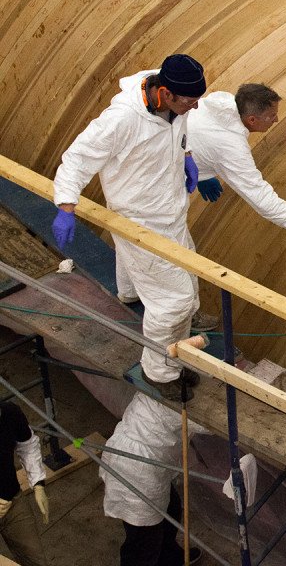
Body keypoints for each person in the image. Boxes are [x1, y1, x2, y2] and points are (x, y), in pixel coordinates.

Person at [52, 54, 209, 402]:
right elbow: (77, 158)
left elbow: (180, 128)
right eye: (189, 102)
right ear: (165, 93)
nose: (194, 109)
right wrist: (66, 206)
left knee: (188, 267)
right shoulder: (121, 120)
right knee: (175, 301)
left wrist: (186, 156)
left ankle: (130, 293)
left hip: (169, 208)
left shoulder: (174, 105)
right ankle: (160, 371)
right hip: (140, 220)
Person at [187, 84, 286, 249]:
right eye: (272, 115)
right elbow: (258, 194)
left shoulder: (222, 101)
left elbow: (199, 136)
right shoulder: (231, 148)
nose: (276, 119)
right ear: (252, 120)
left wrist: (202, 173)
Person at [101, 393, 198, 566]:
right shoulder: (177, 401)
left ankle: (167, 557)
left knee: (171, 508)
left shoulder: (152, 385)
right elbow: (215, 422)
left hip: (134, 458)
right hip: (136, 471)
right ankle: (155, 559)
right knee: (144, 541)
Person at [0, 402, 50, 566]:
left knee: (36, 561)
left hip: (12, 501)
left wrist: (38, 484)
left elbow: (27, 444)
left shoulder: (9, 412)